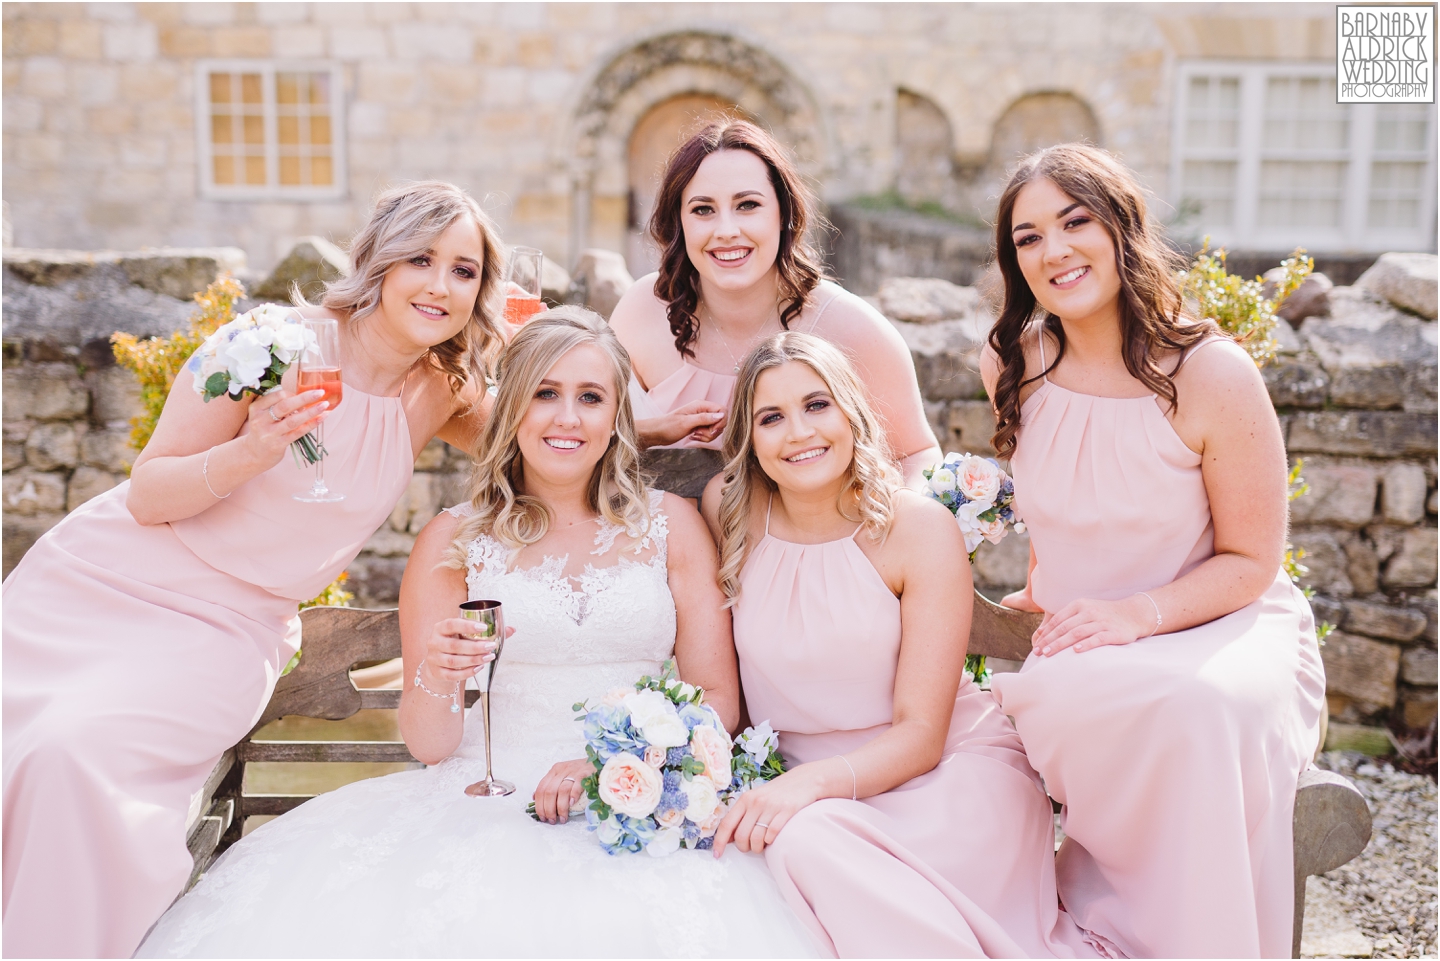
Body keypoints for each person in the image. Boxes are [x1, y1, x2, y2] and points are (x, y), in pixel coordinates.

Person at [137, 309, 821, 958]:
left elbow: (714, 702)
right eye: (545, 393)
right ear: (513, 407)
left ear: (617, 416)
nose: (567, 418)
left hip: (642, 793)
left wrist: (619, 767)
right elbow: (430, 742)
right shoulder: (455, 539)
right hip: (486, 798)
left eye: (591, 397)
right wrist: (438, 670)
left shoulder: (672, 525)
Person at [2, 180, 509, 959]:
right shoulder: (268, 345)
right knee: (26, 744)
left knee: (73, 749)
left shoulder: (441, 387)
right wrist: (251, 451)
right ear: (378, 260)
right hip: (104, 583)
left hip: (228, 628)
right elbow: (147, 494)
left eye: (464, 270)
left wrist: (659, 418)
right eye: (420, 259)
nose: (441, 284)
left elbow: (545, 430)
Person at [981, 144, 1326, 958]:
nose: (1054, 251)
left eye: (1075, 221)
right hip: (1087, 638)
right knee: (1073, 694)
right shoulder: (1010, 364)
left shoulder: (1213, 375)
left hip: (1220, 621)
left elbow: (1252, 560)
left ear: (1121, 228)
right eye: (1028, 238)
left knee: (1193, 711)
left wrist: (1138, 612)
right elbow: (1069, 503)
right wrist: (1049, 584)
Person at [700, 331, 1097, 958]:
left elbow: (921, 734)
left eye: (816, 405)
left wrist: (806, 789)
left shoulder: (916, 529)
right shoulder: (729, 510)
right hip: (803, 786)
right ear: (749, 439)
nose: (799, 432)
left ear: (851, 410)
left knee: (803, 841)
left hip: (943, 776)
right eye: (770, 418)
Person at [608, 119, 941, 485]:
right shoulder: (642, 309)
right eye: (703, 209)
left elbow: (917, 457)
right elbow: (589, 437)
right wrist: (654, 432)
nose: (726, 230)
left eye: (748, 205)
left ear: (783, 213)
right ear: (679, 222)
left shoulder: (853, 328)